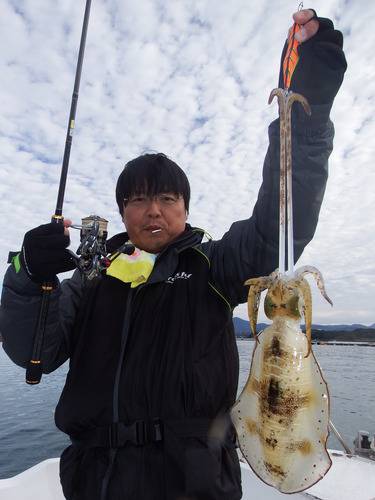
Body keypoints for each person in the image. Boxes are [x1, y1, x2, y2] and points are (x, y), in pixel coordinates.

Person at [0, 9, 346, 500]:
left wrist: (308, 116)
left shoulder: (215, 266)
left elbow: (278, 226)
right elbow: (33, 351)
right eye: (138, 199)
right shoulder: (92, 280)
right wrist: (28, 275)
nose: (153, 212)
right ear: (122, 211)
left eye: (167, 199)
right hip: (97, 482)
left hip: (196, 484)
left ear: (185, 209)